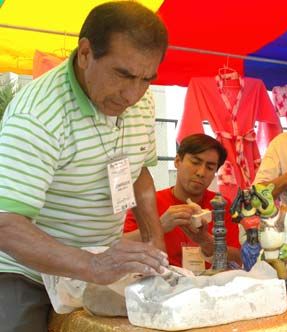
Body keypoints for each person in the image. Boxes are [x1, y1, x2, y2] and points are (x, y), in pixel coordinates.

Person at [0, 2, 169, 331]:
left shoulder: (142, 102)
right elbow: (6, 224)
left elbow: (140, 173)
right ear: (85, 53)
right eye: (123, 75)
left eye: (146, 79)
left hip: (98, 266)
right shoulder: (38, 114)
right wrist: (92, 265)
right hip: (26, 272)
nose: (132, 94)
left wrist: (154, 240)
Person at [124, 134, 242, 269]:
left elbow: (238, 260)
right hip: (162, 284)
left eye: (210, 168)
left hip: (211, 286)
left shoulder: (220, 205)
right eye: (195, 162)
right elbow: (119, 247)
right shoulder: (148, 202)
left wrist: (206, 241)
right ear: (177, 161)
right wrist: (158, 227)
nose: (201, 172)